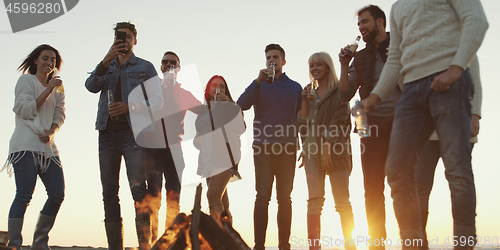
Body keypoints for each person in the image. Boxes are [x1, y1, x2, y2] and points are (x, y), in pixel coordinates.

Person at [362, 1, 488, 248]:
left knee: (457, 170)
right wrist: (375, 97)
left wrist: (455, 69)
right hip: (411, 90)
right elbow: (396, 57)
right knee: (397, 170)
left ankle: (464, 244)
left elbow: (477, 21)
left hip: (448, 83)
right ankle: (414, 244)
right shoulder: (398, 8)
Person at [85, 21, 162, 250]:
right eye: (120, 37)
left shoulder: (145, 67)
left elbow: (157, 101)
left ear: (135, 41)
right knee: (109, 191)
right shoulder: (106, 66)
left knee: (138, 189)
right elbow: (90, 86)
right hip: (106, 135)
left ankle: (144, 246)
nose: (124, 40)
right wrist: (105, 61)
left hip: (133, 135)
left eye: (128, 37)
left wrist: (130, 106)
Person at [338, 5, 400, 249]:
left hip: (402, 121)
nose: (361, 27)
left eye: (365, 22)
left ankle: (414, 240)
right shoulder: (360, 57)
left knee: (404, 183)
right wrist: (344, 64)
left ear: (380, 22)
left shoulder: (399, 46)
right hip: (370, 126)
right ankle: (377, 244)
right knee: (372, 189)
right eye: (359, 24)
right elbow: (344, 94)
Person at [237, 44, 302, 250]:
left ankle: (284, 246)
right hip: (263, 148)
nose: (271, 60)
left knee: (285, 198)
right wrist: (257, 81)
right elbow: (241, 104)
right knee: (262, 196)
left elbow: (303, 118)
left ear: (284, 61)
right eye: (268, 58)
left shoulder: (295, 87)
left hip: (288, 148)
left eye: (275, 57)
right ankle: (259, 246)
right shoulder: (260, 85)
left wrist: (306, 147)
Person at [3, 44, 65, 250]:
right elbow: (26, 109)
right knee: (24, 194)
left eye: (53, 60)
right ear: (36, 60)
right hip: (24, 146)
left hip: (48, 149)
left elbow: (60, 113)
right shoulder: (26, 80)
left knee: (57, 194)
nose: (49, 63)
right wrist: (48, 89)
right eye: (45, 58)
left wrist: (52, 130)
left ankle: (39, 243)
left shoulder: (58, 87)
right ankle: (15, 245)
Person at [416, 57, 482, 249]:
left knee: (460, 184)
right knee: (419, 188)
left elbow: (475, 79)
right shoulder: (424, 43)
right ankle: (418, 242)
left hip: (459, 123)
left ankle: (465, 241)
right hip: (427, 128)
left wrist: (475, 115)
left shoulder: (462, 40)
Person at [298, 52, 354, 250]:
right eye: (311, 65)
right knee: (314, 201)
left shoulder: (340, 91)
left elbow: (339, 120)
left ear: (328, 67)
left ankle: (350, 246)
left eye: (318, 65)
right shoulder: (309, 93)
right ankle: (314, 247)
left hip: (336, 151)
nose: (314, 68)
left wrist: (327, 147)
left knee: (342, 202)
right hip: (311, 152)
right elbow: (302, 125)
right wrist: (304, 101)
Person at [145, 51, 202, 242]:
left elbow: (204, 111)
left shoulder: (183, 93)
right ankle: (152, 243)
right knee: (153, 198)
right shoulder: (152, 90)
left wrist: (201, 132)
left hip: (174, 149)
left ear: (178, 69)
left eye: (173, 63)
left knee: (173, 199)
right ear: (160, 67)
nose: (169, 65)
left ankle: (169, 242)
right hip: (152, 149)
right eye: (165, 62)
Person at [193, 75, 245, 227]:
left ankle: (219, 237)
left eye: (222, 86)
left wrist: (228, 106)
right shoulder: (203, 112)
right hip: (207, 160)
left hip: (225, 156)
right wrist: (197, 140)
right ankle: (230, 237)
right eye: (215, 85)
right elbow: (199, 137)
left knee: (213, 195)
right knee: (222, 202)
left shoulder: (231, 107)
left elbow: (240, 129)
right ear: (208, 89)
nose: (218, 88)